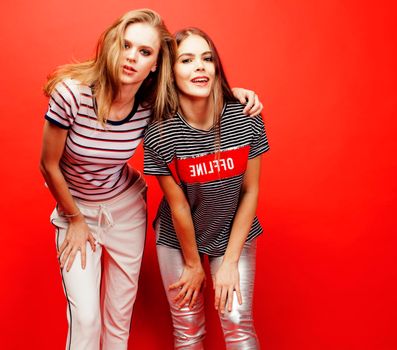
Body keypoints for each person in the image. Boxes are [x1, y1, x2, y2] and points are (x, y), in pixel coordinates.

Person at [40, 9, 262, 350]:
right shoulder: (88, 100)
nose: (132, 58)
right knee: (89, 319)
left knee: (123, 318)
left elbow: (247, 188)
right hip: (90, 214)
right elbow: (49, 165)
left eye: (145, 52)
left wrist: (238, 94)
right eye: (126, 46)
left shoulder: (159, 109)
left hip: (132, 211)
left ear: (156, 64)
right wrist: (74, 217)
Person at [143, 27, 269, 349]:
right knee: (187, 330)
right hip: (178, 237)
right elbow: (179, 205)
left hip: (231, 231)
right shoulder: (159, 132)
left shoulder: (246, 117)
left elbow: (250, 192)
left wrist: (228, 262)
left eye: (207, 58)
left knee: (238, 322)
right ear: (171, 73)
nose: (200, 66)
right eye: (187, 60)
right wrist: (192, 264)